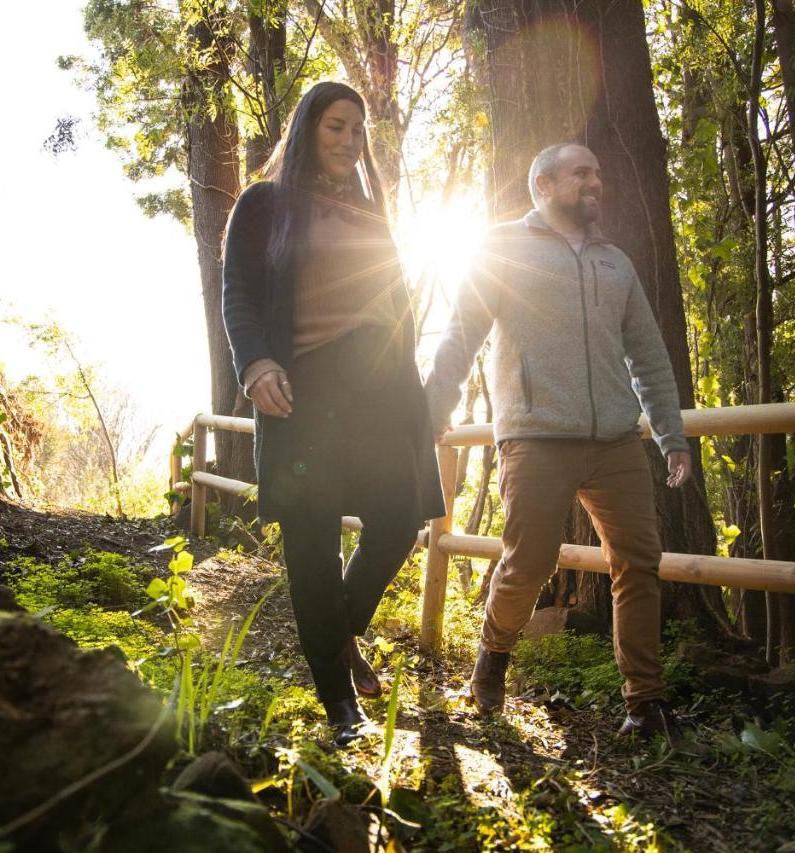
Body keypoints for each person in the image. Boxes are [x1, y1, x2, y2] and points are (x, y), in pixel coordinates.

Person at [424, 142, 693, 740]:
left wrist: (671, 435)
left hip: (617, 441)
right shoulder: (500, 246)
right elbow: (461, 334)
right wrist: (431, 412)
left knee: (639, 564)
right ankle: (494, 653)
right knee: (530, 562)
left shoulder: (615, 263)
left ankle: (644, 703)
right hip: (536, 436)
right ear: (543, 184)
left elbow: (648, 356)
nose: (596, 181)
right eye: (581, 173)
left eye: (598, 171)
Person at [221, 81, 445, 747]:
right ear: (306, 130)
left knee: (400, 519)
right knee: (311, 540)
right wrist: (257, 363)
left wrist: (416, 390)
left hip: (379, 386)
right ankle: (339, 699)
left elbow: (396, 305)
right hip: (304, 388)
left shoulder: (372, 213)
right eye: (336, 128)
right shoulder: (265, 204)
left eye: (358, 131)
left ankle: (335, 632)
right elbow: (237, 292)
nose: (350, 142)